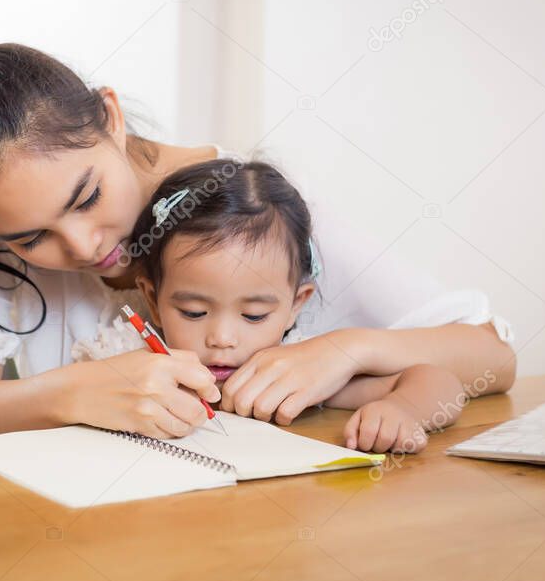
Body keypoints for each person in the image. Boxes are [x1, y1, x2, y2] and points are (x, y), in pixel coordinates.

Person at [0, 43, 516, 448]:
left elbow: (491, 357)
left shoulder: (247, 209)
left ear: (110, 116)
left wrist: (345, 349)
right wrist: (78, 390)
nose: (82, 245)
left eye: (86, 196)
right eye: (31, 236)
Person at [112, 158, 482, 453]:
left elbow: (440, 382)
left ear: (296, 304)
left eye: (254, 315)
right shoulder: (130, 366)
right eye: (194, 311)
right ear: (152, 301)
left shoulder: (293, 375)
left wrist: (402, 410)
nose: (222, 339)